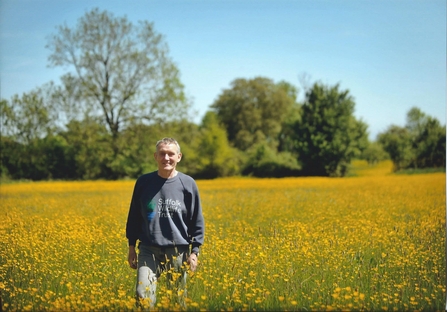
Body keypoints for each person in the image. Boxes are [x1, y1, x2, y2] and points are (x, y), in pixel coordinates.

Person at [126, 137, 205, 306]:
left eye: (171, 154)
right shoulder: (144, 182)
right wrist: (131, 246)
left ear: (179, 157)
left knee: (176, 300)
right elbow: (134, 215)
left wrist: (195, 251)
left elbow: (196, 219)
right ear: (155, 156)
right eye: (162, 154)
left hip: (178, 251)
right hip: (148, 249)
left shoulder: (188, 183)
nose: (166, 158)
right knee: (143, 294)